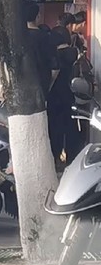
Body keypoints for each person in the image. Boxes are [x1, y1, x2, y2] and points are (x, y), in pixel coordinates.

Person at [48, 26, 79, 168]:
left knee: (55, 129)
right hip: (72, 95)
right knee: (71, 128)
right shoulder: (75, 52)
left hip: (54, 97)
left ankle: (56, 157)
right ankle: (72, 159)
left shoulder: (53, 55)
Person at [25, 1, 59, 98]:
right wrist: (48, 86)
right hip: (41, 84)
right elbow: (55, 66)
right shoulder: (46, 37)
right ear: (38, 16)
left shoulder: (18, 38)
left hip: (21, 86)